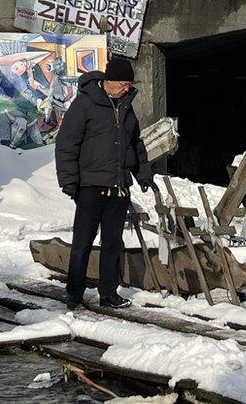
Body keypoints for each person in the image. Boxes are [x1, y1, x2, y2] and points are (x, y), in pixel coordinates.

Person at [55, 57, 153, 310]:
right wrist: (69, 181)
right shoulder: (85, 104)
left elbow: (136, 144)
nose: (127, 89)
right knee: (82, 242)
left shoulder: (126, 107)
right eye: (123, 84)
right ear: (108, 82)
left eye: (129, 84)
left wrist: (143, 173)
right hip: (90, 186)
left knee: (113, 243)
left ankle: (108, 293)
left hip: (119, 186)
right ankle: (74, 293)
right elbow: (67, 144)